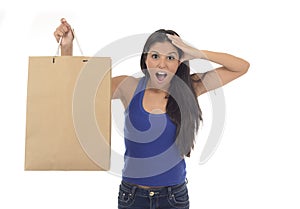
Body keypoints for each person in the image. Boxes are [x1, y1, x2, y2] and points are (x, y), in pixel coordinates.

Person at [54, 18, 249, 209]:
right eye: (155, 56)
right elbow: (78, 94)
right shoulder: (128, 86)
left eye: (170, 57)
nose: (161, 64)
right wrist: (66, 48)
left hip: (174, 198)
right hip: (132, 197)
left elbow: (241, 67)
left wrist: (197, 53)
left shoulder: (190, 87)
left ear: (180, 62)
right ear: (145, 59)